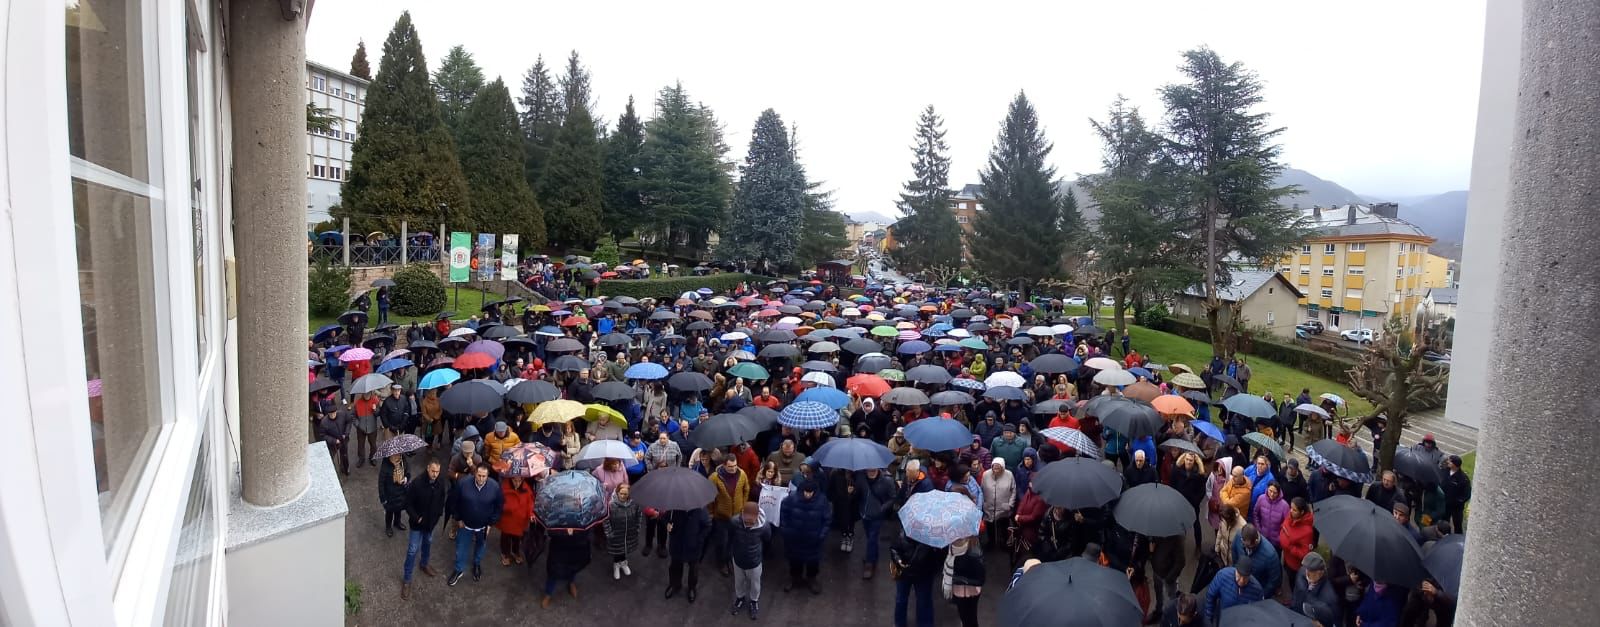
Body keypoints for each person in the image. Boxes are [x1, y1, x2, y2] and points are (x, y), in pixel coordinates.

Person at [446, 464, 504, 586]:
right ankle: (458, 569)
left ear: (488, 476)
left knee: (480, 546)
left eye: (484, 476)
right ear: (474, 474)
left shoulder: (495, 487)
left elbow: (498, 508)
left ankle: (476, 564)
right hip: (465, 525)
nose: (481, 479)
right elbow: (454, 502)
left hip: (483, 527)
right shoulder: (463, 483)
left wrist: (490, 524)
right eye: (479, 475)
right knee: (461, 548)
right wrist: (458, 518)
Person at [400, 459, 447, 600]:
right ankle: (407, 580)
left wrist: (438, 515)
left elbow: (441, 501)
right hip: (417, 524)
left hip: (431, 524)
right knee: (413, 550)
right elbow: (407, 504)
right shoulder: (417, 483)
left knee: (428, 542)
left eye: (437, 471)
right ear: (427, 468)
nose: (435, 474)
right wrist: (417, 518)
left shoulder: (440, 483)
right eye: (433, 471)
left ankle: (424, 564)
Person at [780, 477, 832, 594]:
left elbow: (827, 520)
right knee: (794, 561)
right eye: (806, 492)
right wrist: (786, 530)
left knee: (813, 562)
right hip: (794, 538)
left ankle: (811, 579)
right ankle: (795, 578)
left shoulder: (822, 501)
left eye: (810, 492)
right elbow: (784, 513)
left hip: (813, 539)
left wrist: (821, 535)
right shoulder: (791, 499)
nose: (808, 495)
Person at [891, 533, 944, 627]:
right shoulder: (930, 539)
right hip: (911, 573)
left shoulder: (929, 540)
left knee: (920, 600)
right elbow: (894, 549)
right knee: (906, 600)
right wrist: (898, 560)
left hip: (920, 574)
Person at [728, 502, 770, 619]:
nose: (748, 523)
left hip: (754, 561)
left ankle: (754, 601)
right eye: (746, 520)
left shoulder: (764, 526)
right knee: (739, 582)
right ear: (742, 514)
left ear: (757, 516)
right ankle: (740, 598)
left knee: (755, 584)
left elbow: (767, 539)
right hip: (738, 559)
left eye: (751, 521)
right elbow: (730, 536)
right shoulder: (734, 522)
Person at [710, 456, 750, 575]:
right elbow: (709, 496)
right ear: (724, 465)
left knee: (733, 541)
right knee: (722, 541)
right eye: (730, 466)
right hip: (721, 516)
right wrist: (711, 513)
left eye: (735, 466)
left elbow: (746, 489)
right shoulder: (715, 478)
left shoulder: (742, 474)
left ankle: (729, 560)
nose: (733, 469)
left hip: (737, 516)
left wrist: (743, 505)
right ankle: (721, 563)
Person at [854, 466, 897, 580]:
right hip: (864, 513)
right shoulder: (861, 478)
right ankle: (873, 556)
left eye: (873, 470)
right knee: (870, 538)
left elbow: (893, 497)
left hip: (877, 516)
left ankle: (869, 564)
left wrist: (882, 508)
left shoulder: (887, 480)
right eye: (869, 470)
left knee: (872, 538)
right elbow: (858, 493)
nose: (871, 472)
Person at [665, 506, 712, 602]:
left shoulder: (700, 509)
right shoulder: (674, 507)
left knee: (693, 569)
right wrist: (668, 525)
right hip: (677, 543)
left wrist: (699, 539)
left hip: (693, 546)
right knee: (675, 566)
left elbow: (707, 525)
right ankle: (674, 585)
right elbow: (666, 518)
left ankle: (691, 588)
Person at [540, 527, 592, 609]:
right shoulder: (557, 515)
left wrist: (575, 532)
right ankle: (548, 594)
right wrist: (565, 532)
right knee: (553, 572)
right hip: (559, 548)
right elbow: (551, 532)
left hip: (576, 547)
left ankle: (571, 582)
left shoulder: (582, 517)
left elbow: (587, 531)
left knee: (573, 567)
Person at [1202, 558, 1265, 626]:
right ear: (1235, 569)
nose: (1241, 581)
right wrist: (1208, 616)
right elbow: (1211, 595)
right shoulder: (1222, 576)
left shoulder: (1257, 590)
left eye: (1245, 577)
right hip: (1223, 619)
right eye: (1239, 575)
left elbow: (1258, 612)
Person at [942, 537, 985, 627]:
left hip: (960, 589)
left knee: (966, 619)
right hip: (974, 587)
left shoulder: (954, 544)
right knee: (972, 617)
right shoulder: (974, 541)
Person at [604, 484, 642, 580]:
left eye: (625, 494)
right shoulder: (611, 505)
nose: (623, 496)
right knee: (617, 550)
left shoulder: (634, 504)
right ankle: (616, 565)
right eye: (621, 493)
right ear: (617, 493)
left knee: (624, 548)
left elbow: (639, 516)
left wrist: (637, 528)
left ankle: (624, 563)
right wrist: (609, 533)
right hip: (615, 533)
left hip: (629, 532)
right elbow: (605, 520)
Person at [1231, 525, 1281, 598]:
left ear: (1256, 541)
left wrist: (1262, 595)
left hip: (1258, 588)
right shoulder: (1239, 536)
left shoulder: (1270, 554)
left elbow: (1273, 580)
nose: (1244, 547)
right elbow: (1234, 551)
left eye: (1248, 546)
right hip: (1242, 583)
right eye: (1243, 543)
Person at [1291, 553, 1341, 625]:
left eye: (1310, 572)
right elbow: (1297, 595)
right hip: (1295, 616)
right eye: (1306, 569)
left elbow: (1334, 621)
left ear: (1320, 573)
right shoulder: (1302, 572)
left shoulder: (1330, 599)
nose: (1306, 573)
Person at [497, 473, 534, 567]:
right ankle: (505, 553)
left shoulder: (526, 487)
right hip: (507, 520)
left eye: (519, 480)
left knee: (517, 538)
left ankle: (515, 552)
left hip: (519, 521)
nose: (517, 483)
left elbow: (530, 502)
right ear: (511, 479)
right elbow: (498, 503)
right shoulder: (504, 487)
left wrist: (531, 514)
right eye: (515, 480)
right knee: (505, 537)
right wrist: (508, 507)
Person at [980, 459, 1015, 551]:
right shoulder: (985, 474)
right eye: (994, 468)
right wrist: (983, 503)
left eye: (998, 468)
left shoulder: (1009, 474)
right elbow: (982, 489)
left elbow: (1013, 490)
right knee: (990, 527)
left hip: (1004, 508)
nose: (996, 470)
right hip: (989, 507)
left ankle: (1003, 543)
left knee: (1003, 527)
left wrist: (1010, 505)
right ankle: (991, 543)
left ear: (1002, 467)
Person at [1250, 482, 1289, 550]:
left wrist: (1279, 538)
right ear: (1267, 489)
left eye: (1275, 492)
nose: (1272, 494)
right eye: (1270, 491)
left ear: (1279, 493)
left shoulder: (1284, 506)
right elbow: (1255, 514)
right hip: (1262, 537)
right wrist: (1259, 529)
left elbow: (1287, 524)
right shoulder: (1261, 499)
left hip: (1276, 542)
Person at [379, 453, 409, 538]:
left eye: (399, 454)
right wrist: (383, 498)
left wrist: (406, 478)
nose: (398, 456)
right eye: (395, 455)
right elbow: (381, 482)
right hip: (390, 495)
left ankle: (397, 523)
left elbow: (408, 470)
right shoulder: (386, 465)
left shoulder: (403, 460)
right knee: (389, 512)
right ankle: (388, 527)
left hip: (400, 492)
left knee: (398, 509)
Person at [1442, 454, 1471, 532]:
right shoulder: (1445, 471)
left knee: (1457, 524)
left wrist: (1457, 501)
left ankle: (1457, 538)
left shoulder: (1463, 479)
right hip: (1445, 504)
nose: (1447, 462)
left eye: (1450, 461)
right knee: (1444, 523)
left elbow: (1467, 494)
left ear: (1455, 464)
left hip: (1457, 508)